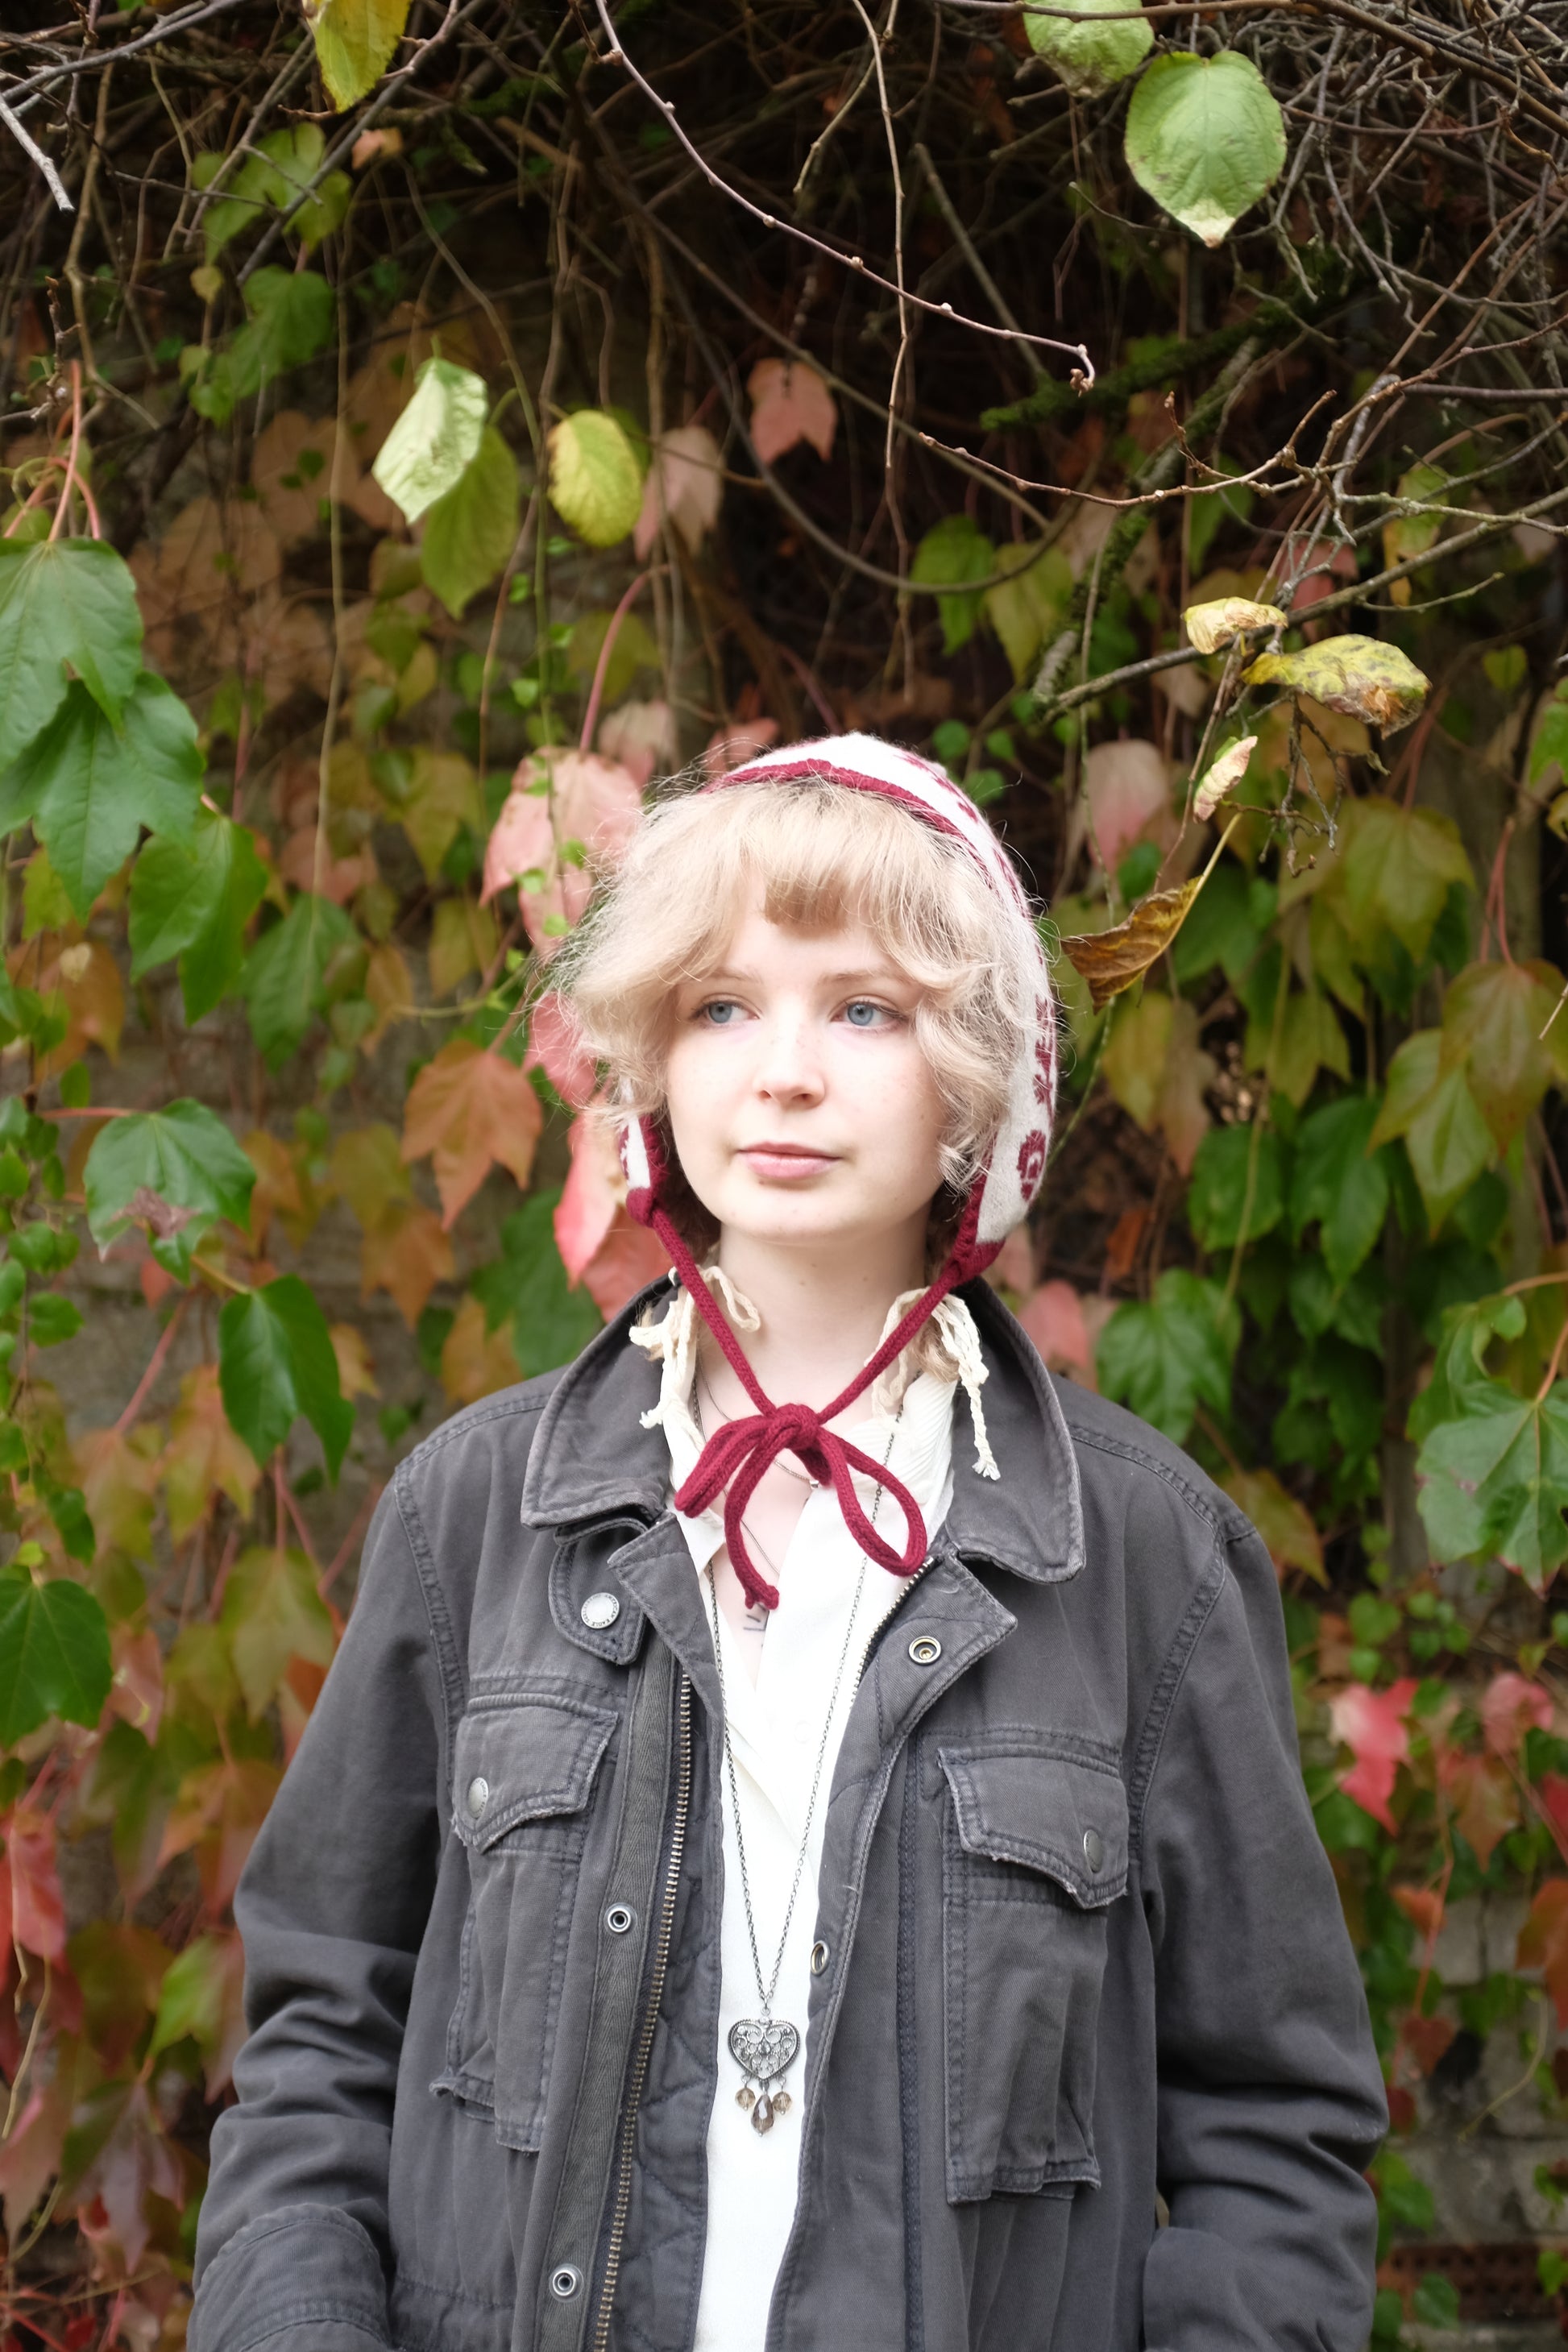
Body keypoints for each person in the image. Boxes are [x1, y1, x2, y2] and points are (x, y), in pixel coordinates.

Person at [189, 733, 1386, 2352]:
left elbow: (1274, 2140)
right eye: (720, 1004)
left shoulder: (1144, 1563)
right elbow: (318, 2038)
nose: (785, 1069)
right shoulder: (470, 1514)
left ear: (972, 1072)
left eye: (865, 1008)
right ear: (651, 1060)